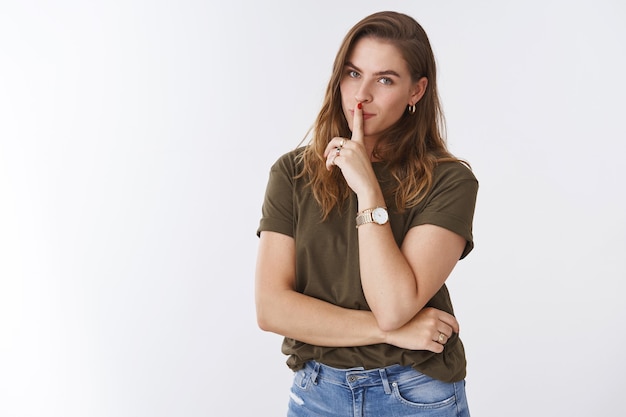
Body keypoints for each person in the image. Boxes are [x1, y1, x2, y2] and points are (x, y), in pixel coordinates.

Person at [255, 10, 478, 417]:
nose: (361, 95)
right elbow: (272, 309)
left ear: (417, 91)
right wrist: (392, 331)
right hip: (316, 392)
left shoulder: (450, 181)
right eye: (353, 74)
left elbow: (393, 304)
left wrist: (368, 190)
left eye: (385, 79)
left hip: (414, 393)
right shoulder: (292, 172)